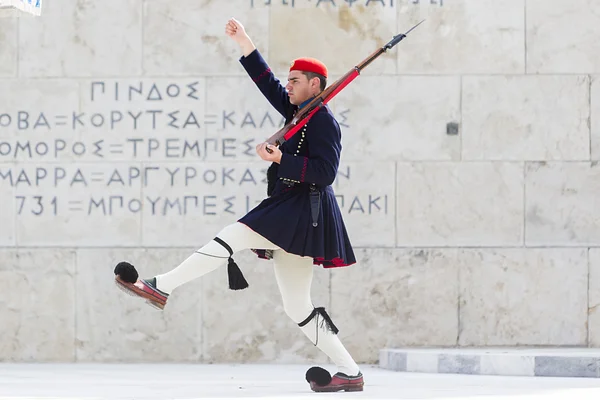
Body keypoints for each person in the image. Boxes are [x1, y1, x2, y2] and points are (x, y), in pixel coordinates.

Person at [113, 17, 364, 393]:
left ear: (315, 85)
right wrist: (244, 41)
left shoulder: (323, 121)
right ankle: (350, 372)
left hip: (302, 209)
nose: (288, 85)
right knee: (297, 306)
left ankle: (160, 286)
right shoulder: (298, 113)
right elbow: (267, 84)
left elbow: (326, 173)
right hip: (294, 212)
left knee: (233, 235)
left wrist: (280, 160)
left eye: (295, 80)